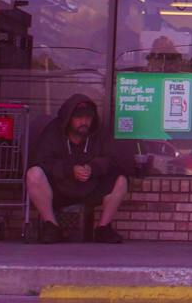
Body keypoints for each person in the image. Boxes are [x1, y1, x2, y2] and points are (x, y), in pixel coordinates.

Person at [26, 94, 128, 244]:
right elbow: (43, 160)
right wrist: (70, 170)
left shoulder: (99, 133)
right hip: (60, 186)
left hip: (91, 187)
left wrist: (93, 168)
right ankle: (51, 226)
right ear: (69, 119)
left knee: (121, 179)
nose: (84, 122)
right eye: (78, 117)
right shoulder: (54, 132)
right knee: (33, 173)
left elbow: (112, 159)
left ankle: (103, 228)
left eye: (88, 117)